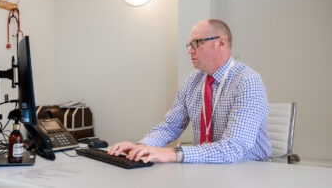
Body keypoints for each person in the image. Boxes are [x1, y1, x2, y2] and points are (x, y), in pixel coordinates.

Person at [108, 19, 272, 163]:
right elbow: (170, 125)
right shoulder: (193, 81)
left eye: (197, 43)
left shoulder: (248, 82)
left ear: (221, 43)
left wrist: (172, 154)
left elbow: (233, 148)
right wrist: (142, 147)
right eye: (189, 45)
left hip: (248, 169)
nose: (190, 51)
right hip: (207, 168)